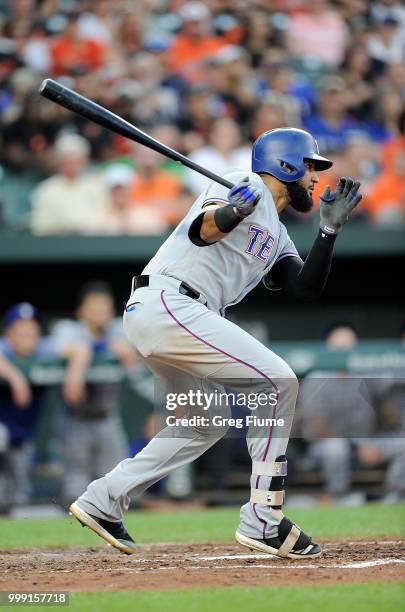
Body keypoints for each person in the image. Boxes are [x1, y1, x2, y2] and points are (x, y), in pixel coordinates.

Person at [69, 127, 362, 560]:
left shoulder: (277, 234)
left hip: (172, 315)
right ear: (285, 164)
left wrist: (328, 232)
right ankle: (264, 517)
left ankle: (104, 499)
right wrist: (230, 213)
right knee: (277, 381)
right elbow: (201, 232)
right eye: (310, 167)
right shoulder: (241, 183)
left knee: (206, 421)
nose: (316, 178)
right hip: (170, 302)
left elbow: (302, 287)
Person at [52, 282, 137, 505]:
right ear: (81, 311)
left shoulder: (120, 328)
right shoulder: (68, 329)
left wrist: (123, 350)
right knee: (74, 482)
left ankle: (110, 525)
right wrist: (79, 358)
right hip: (75, 417)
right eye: (94, 308)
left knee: (115, 478)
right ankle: (75, 534)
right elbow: (59, 347)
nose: (100, 313)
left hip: (107, 416)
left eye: (104, 308)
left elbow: (133, 358)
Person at [0, 302, 89, 507]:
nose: (27, 331)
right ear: (8, 332)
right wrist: (15, 377)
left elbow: (81, 348)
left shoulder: (43, 348)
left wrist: (74, 376)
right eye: (20, 327)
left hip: (22, 435)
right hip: (5, 431)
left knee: (18, 493)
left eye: (31, 327)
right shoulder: (4, 347)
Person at [30, 134, 110, 235]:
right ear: (59, 162)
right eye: (68, 161)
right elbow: (39, 225)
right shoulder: (46, 189)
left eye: (76, 161)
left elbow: (107, 219)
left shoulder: (97, 185)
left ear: (84, 160)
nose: (72, 166)